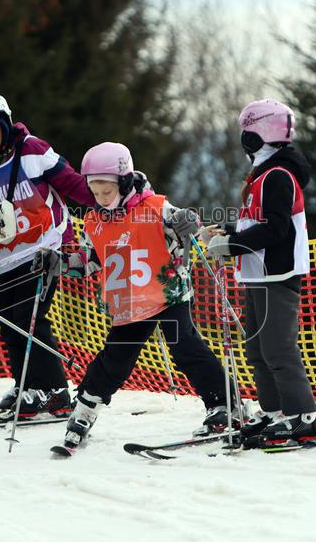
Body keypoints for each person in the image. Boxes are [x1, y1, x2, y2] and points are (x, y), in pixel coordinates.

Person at [50, 141, 232, 450]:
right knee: (115, 359)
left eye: (106, 190)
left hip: (168, 293)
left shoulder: (155, 207)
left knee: (186, 346)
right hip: (130, 300)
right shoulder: (94, 220)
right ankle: (84, 411)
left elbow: (192, 229)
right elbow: (89, 260)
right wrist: (57, 263)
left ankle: (224, 407)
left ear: (122, 182)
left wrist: (191, 222)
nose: (100, 197)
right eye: (94, 191)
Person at [0, 90, 96, 423]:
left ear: (5, 124)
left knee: (30, 319)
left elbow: (72, 184)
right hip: (6, 256)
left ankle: (56, 391)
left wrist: (108, 197)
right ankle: (27, 387)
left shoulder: (33, 150)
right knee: (9, 324)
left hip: (45, 249)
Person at [205, 99, 316, 444]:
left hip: (277, 273)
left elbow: (276, 230)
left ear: (258, 135)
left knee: (278, 349)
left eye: (247, 133)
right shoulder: (263, 174)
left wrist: (232, 246)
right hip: (258, 272)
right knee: (257, 349)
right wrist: (226, 233)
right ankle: (275, 412)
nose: (244, 140)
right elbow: (256, 222)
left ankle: (302, 416)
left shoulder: (277, 175)